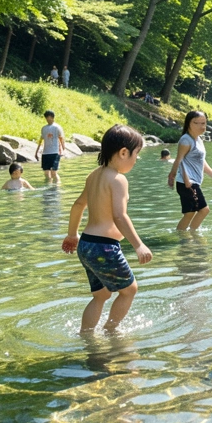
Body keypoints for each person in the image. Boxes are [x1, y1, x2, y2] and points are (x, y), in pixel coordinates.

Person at [60, 125, 152, 332]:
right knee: (129, 290)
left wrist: (72, 234)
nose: (136, 159)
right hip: (104, 247)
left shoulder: (93, 175)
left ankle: (86, 335)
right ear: (123, 152)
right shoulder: (118, 180)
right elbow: (120, 216)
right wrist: (139, 245)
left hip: (86, 244)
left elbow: (77, 205)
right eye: (136, 154)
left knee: (100, 295)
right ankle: (111, 332)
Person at [170, 110, 212, 231]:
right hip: (187, 182)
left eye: (204, 123)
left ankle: (185, 236)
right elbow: (179, 161)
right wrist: (186, 179)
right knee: (204, 210)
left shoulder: (198, 140)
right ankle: (191, 235)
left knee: (190, 213)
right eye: (197, 123)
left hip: (192, 182)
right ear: (189, 123)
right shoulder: (186, 141)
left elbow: (202, 163)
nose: (202, 126)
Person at [39, 110, 65, 185]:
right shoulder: (44, 128)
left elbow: (62, 138)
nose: (47, 119)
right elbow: (42, 139)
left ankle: (57, 187)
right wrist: (38, 151)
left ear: (52, 117)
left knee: (53, 172)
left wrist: (63, 149)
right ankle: (49, 187)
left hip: (55, 152)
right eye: (46, 117)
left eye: (49, 117)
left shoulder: (57, 127)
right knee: (46, 173)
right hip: (45, 153)